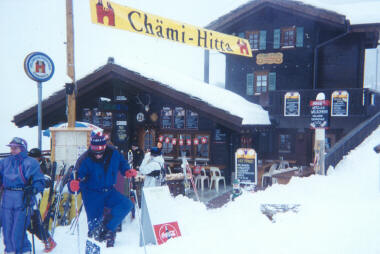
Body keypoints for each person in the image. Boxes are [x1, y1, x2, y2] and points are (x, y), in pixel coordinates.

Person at [68, 133, 137, 247]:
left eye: (101, 151)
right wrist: (73, 185)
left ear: (105, 146)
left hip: (109, 191)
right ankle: (93, 245)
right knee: (94, 229)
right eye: (95, 151)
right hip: (92, 195)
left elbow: (122, 163)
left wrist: (126, 171)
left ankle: (107, 227)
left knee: (126, 204)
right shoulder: (84, 159)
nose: (98, 155)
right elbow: (76, 177)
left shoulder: (114, 153)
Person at [0, 137, 45, 254]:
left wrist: (34, 188)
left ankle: (21, 251)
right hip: (7, 198)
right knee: (7, 230)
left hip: (23, 197)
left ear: (23, 148)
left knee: (17, 230)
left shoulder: (31, 162)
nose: (12, 150)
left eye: (16, 148)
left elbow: (40, 180)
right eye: (11, 148)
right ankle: (10, 251)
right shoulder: (5, 162)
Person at [28, 148, 57, 252]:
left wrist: (36, 183)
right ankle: (48, 241)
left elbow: (47, 180)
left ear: (39, 157)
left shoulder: (43, 165)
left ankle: (48, 241)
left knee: (34, 222)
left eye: (33, 157)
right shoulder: (29, 165)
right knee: (31, 223)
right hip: (29, 197)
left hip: (40, 196)